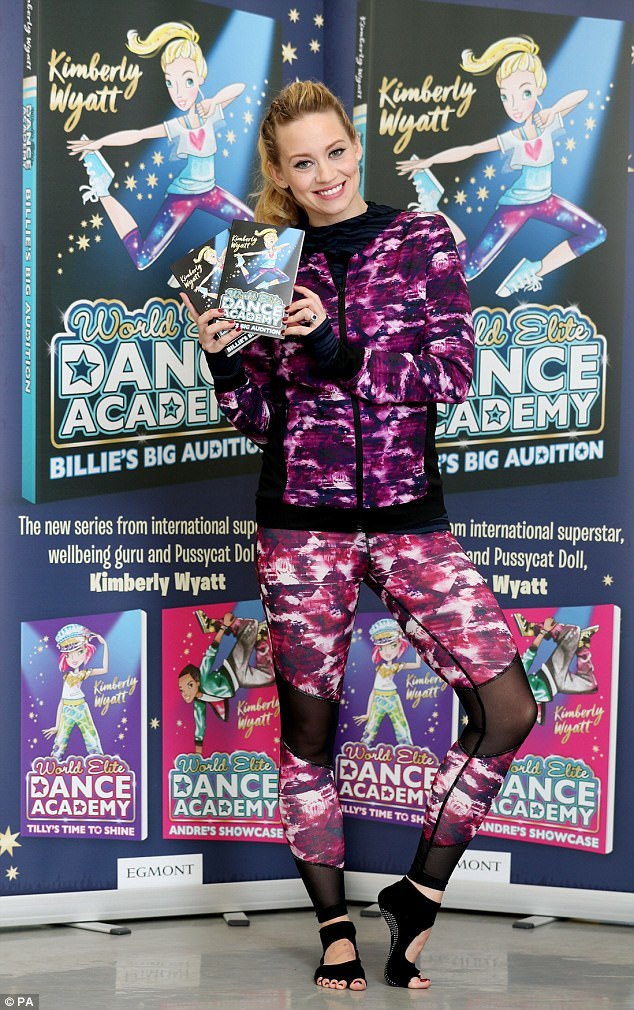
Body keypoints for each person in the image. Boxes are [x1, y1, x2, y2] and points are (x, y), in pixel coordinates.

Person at [181, 80, 538, 992]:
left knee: (509, 709)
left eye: (336, 152)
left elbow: (452, 375)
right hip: (301, 527)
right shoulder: (260, 257)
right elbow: (262, 418)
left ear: (356, 144)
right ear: (280, 174)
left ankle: (418, 892)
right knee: (308, 735)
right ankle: (334, 926)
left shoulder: (420, 239)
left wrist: (337, 350)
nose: (326, 174)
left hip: (409, 518)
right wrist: (223, 360)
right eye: (303, 163)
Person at [397, 36, 606, 297]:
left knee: (595, 233)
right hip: (515, 207)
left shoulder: (547, 122)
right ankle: (434, 208)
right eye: (506, 97)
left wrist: (553, 111)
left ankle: (533, 269)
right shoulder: (513, 137)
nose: (514, 106)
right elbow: (471, 149)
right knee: (468, 270)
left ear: (539, 88)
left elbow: (581, 94)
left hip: (545, 201)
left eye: (524, 93)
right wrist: (431, 161)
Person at [67, 20, 253, 270]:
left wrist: (213, 102)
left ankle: (200, 267)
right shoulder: (177, 125)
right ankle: (103, 191)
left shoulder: (208, 113)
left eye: (187, 81)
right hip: (182, 197)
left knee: (255, 228)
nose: (178, 93)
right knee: (142, 258)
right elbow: (138, 135)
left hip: (209, 191)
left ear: (200, 77)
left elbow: (239, 88)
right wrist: (100, 142)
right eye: (170, 83)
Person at [43, 624, 107, 760]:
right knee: (60, 740)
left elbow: (104, 669)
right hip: (67, 709)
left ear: (86, 651)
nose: (74, 659)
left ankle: (98, 761)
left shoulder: (84, 673)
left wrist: (105, 645)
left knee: (91, 736)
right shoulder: (66, 676)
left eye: (79, 652)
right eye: (68, 655)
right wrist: (57, 725)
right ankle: (54, 763)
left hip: (81, 707)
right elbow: (61, 700)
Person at [353, 618, 420, 747]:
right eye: (382, 648)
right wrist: (368, 713)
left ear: (400, 644)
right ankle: (363, 748)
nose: (388, 652)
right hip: (378, 699)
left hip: (393, 698)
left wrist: (419, 644)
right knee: (371, 727)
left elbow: (417, 665)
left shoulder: (397, 666)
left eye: (393, 645)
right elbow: (373, 691)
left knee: (401, 725)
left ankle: (407, 748)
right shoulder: (379, 668)